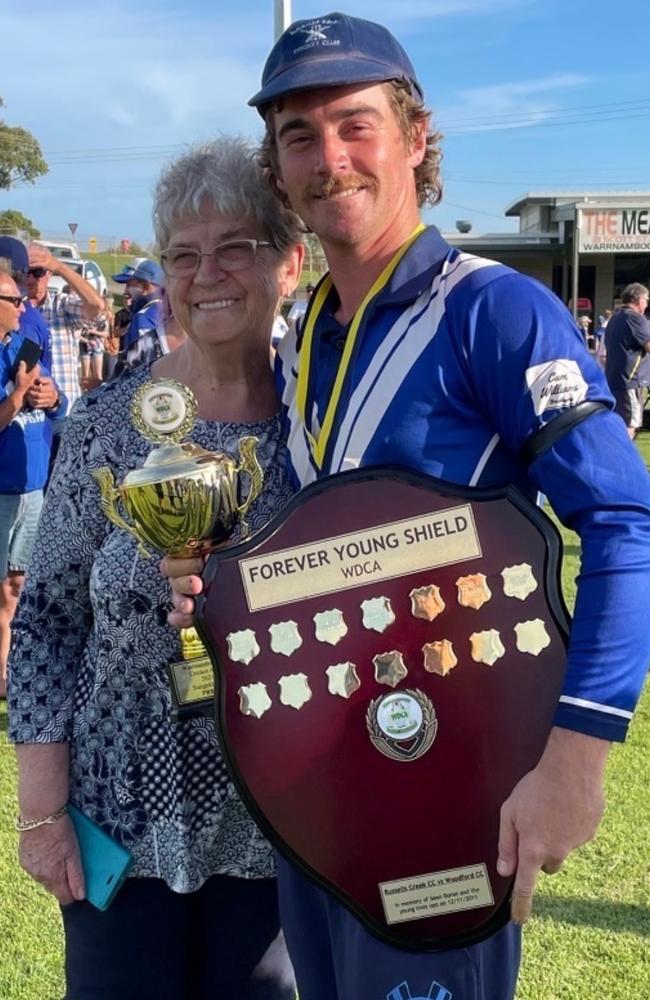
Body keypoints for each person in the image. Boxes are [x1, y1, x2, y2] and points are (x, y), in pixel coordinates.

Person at [165, 13, 650, 1000]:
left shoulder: (493, 311)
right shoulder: (306, 337)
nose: (327, 158)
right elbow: (321, 540)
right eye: (297, 136)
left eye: (353, 124)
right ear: (276, 163)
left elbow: (622, 524)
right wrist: (225, 586)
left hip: (454, 783)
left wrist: (576, 759)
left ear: (415, 138)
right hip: (335, 794)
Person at [8, 137, 303, 1000]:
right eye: (182, 254)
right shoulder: (105, 423)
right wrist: (41, 815)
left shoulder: (321, 426)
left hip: (276, 831)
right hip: (117, 822)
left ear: (288, 263)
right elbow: (49, 623)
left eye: (236, 247)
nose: (206, 273)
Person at [0, 271, 63, 699]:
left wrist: (52, 397)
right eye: (15, 298)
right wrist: (18, 395)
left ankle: (7, 673)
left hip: (33, 488)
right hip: (2, 490)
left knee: (19, 584)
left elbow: (58, 416)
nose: (24, 306)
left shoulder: (21, 348)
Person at [26, 241, 104, 452]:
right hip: (26, 418)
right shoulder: (14, 309)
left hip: (64, 415)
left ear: (49, 275)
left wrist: (59, 266)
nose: (30, 278)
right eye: (26, 271)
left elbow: (97, 306)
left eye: (38, 271)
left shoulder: (62, 305)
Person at [0, 236, 53, 372]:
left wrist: (52, 391)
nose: (29, 278)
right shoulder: (28, 312)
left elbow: (31, 380)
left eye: (36, 273)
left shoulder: (22, 319)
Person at [604, 284, 650, 438]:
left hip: (613, 379)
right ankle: (620, 460)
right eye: (646, 299)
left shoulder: (614, 318)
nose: (647, 304)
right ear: (638, 299)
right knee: (630, 424)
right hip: (629, 380)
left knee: (618, 423)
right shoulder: (636, 318)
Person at [111, 259, 164, 374]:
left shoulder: (142, 318)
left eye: (129, 284)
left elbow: (135, 371)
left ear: (145, 285)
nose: (126, 290)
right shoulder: (172, 313)